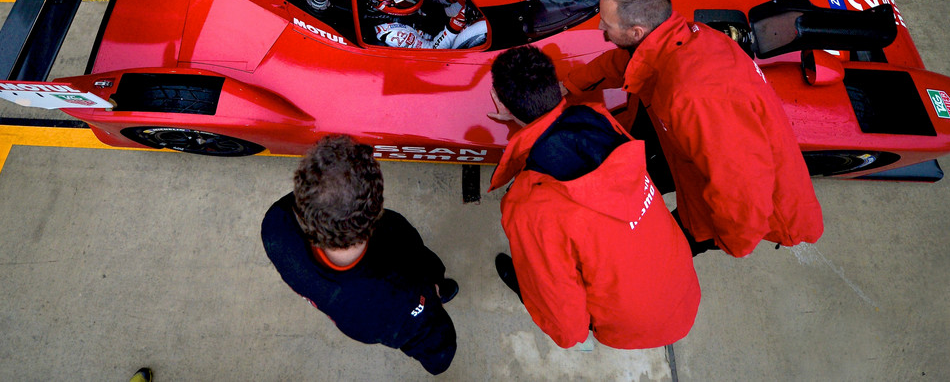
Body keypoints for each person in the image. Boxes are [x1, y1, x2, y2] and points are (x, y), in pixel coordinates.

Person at [563, 0, 824, 258]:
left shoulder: (694, 97)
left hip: (735, 210)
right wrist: (568, 86)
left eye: (606, 23)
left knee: (653, 254)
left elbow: (742, 186)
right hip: (692, 158)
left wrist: (734, 242)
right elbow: (625, 62)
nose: (600, 27)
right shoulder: (677, 37)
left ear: (636, 31)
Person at [487, 46, 700, 349]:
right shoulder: (600, 123)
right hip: (682, 287)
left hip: (634, 327)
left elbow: (568, 331)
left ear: (505, 107)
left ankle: (526, 285)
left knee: (541, 273)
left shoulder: (531, 208)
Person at [261, 135, 459, 375]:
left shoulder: (275, 226)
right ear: (375, 210)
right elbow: (438, 352)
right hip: (406, 293)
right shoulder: (395, 300)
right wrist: (430, 296)